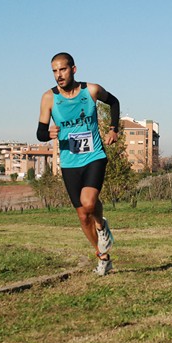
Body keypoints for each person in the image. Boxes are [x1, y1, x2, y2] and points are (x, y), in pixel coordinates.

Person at [37, 52, 120, 276]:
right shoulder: (49, 98)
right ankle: (103, 256)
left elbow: (113, 102)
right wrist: (48, 133)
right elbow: (40, 133)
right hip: (69, 162)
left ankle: (102, 227)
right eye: (54, 71)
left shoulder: (91, 90)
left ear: (73, 69)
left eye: (62, 69)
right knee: (83, 215)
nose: (58, 75)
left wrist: (114, 129)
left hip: (94, 156)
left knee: (89, 202)